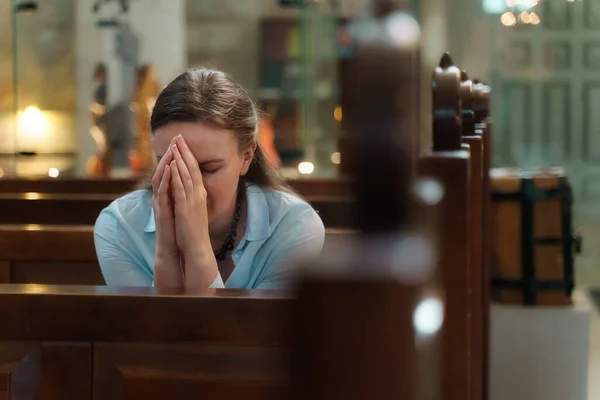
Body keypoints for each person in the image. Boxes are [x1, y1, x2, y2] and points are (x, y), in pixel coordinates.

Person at [94, 67, 325, 290]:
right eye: (170, 162)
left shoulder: (293, 227)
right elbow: (151, 328)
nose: (187, 183)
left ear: (246, 157)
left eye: (208, 168)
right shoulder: (120, 226)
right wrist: (167, 251)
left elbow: (243, 330)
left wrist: (196, 248)